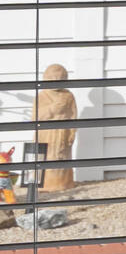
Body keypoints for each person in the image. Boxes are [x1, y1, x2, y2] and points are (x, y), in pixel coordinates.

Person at [32, 66, 76, 194]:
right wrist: (53, 109)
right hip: (46, 133)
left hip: (63, 131)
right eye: (53, 78)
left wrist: (73, 131)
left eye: (60, 78)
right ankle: (46, 184)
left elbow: (73, 114)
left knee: (63, 156)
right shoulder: (42, 96)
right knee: (47, 156)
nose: (56, 81)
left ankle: (64, 183)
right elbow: (35, 116)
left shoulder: (68, 95)